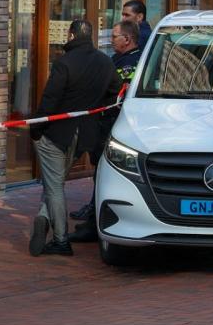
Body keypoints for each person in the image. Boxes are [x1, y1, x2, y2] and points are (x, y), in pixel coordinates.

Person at [29, 20, 121, 256]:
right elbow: (115, 94)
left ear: (70, 35)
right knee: (55, 181)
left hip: (57, 134)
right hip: (84, 136)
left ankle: (60, 240)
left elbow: (50, 100)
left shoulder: (64, 63)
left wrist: (36, 128)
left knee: (54, 185)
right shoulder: (104, 61)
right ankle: (43, 216)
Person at [67, 20, 142, 243]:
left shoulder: (129, 63)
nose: (111, 41)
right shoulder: (124, 59)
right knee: (100, 174)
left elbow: (115, 94)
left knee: (104, 174)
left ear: (127, 40)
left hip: (111, 125)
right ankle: (94, 216)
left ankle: (95, 224)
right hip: (108, 125)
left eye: (115, 37)